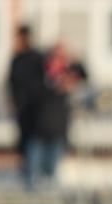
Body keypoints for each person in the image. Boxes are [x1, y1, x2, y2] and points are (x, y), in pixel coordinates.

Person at [24, 43, 86, 190]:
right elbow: (34, 97)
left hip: (57, 134)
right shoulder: (39, 77)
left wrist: (73, 59)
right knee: (33, 177)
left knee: (52, 176)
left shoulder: (68, 78)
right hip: (37, 133)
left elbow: (84, 74)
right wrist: (56, 87)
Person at [8, 25, 45, 180]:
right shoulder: (16, 59)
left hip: (35, 110)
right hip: (22, 109)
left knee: (35, 141)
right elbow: (11, 83)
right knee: (23, 142)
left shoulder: (37, 58)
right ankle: (25, 173)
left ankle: (34, 174)